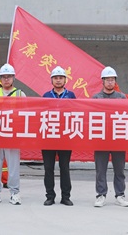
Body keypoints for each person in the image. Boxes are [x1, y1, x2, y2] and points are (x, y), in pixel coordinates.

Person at [92, 66, 128, 208]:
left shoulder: (121, 98)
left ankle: (120, 195)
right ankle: (100, 195)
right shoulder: (96, 98)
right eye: (107, 79)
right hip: (101, 139)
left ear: (115, 81)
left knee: (119, 169)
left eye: (112, 79)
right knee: (100, 169)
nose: (110, 82)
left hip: (118, 138)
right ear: (102, 81)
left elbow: (127, 117)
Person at [0, 63, 25, 205]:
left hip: (12, 135)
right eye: (3, 77)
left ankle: (14, 193)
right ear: (0, 79)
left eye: (9, 76)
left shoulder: (20, 94)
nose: (6, 79)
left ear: (14, 78)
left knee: (13, 166)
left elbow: (26, 114)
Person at [41, 66, 76, 206]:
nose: (58, 80)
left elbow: (76, 113)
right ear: (51, 80)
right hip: (49, 136)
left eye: (61, 78)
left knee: (64, 167)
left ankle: (65, 196)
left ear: (65, 80)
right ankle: (50, 196)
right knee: (48, 168)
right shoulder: (46, 96)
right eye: (55, 78)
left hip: (65, 137)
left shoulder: (71, 95)